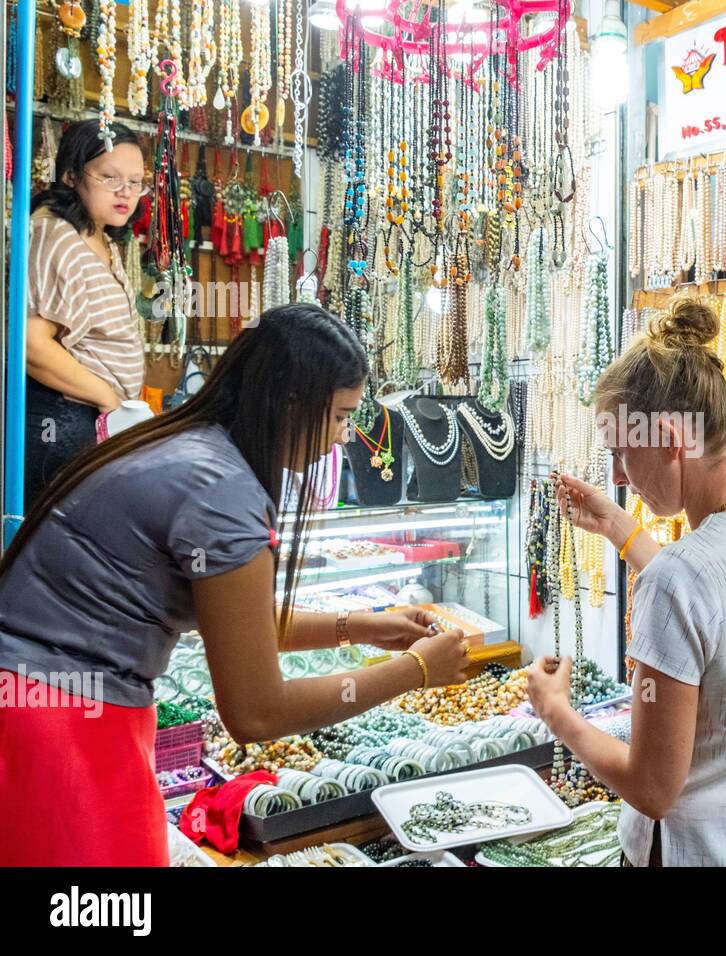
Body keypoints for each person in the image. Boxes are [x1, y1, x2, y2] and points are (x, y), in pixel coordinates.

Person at [0, 304, 471, 866]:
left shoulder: (195, 447)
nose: (344, 438)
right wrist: (416, 672)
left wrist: (362, 626)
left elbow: (237, 624)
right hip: (62, 726)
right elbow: (255, 714)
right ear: (291, 405)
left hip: (41, 705)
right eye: (342, 416)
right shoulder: (222, 489)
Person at [526, 295, 726, 866]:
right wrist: (622, 531)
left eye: (624, 453)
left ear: (672, 439)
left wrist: (557, 713)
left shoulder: (679, 579)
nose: (620, 476)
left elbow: (651, 789)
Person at [24, 120, 149, 508]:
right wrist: (108, 398)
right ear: (71, 175)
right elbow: (31, 345)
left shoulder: (95, 235)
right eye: (110, 178)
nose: (126, 193)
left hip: (84, 419)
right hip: (59, 418)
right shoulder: (56, 233)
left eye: (135, 182)